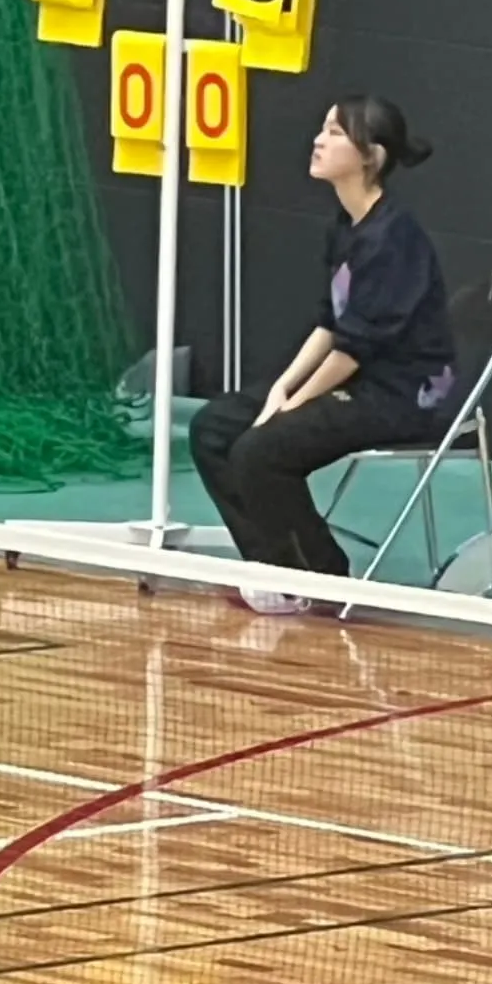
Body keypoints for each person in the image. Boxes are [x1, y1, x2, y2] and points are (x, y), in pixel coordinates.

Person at [189, 96, 457, 614]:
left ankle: (325, 579)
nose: (318, 140)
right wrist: (282, 388)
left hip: (400, 395)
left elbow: (356, 348)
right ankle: (273, 568)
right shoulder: (347, 225)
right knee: (215, 429)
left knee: (260, 450)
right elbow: (331, 323)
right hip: (354, 380)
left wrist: (292, 406)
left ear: (370, 156)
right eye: (323, 128)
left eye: (335, 132)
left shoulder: (393, 239)